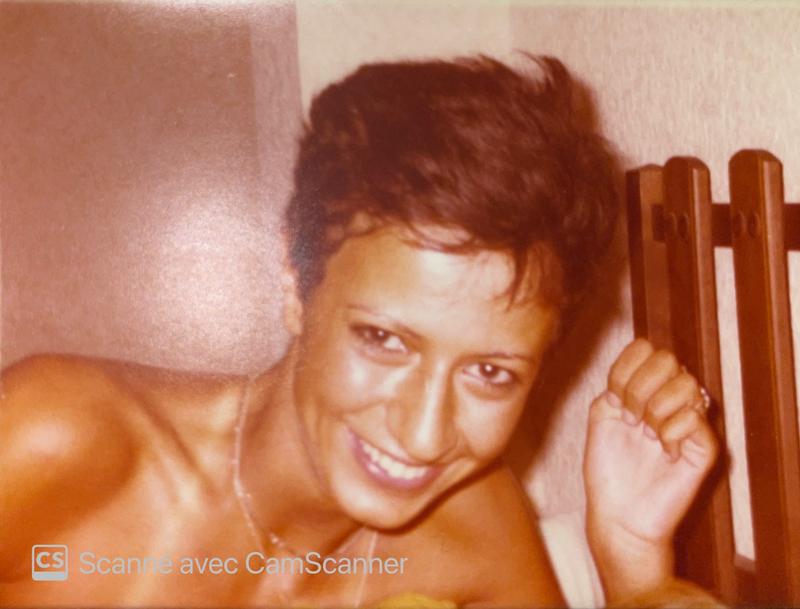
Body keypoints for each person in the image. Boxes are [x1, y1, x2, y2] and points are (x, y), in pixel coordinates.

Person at [0, 55, 717, 607]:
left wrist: (630, 559)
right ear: (295, 281)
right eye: (384, 339)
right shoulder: (62, 438)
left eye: (490, 373)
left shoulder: (476, 528)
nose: (424, 433)